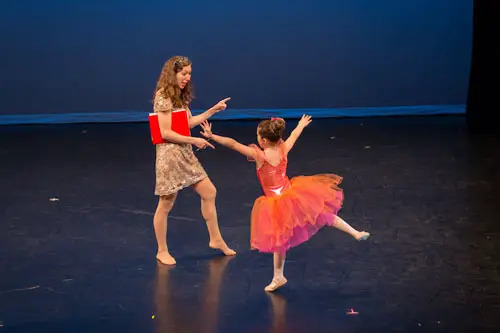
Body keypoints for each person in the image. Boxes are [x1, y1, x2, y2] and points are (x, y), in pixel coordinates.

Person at [199, 115, 370, 291]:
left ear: (263, 140)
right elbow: (294, 135)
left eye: (258, 136)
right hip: (292, 194)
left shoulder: (259, 156)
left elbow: (233, 144)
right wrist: (301, 125)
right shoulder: (283, 149)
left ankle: (278, 276)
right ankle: (355, 232)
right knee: (323, 214)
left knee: (279, 240)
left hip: (276, 202)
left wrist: (212, 136)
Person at [153, 55, 236, 265]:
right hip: (170, 156)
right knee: (166, 203)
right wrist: (194, 140)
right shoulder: (163, 96)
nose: (187, 78)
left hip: (185, 152)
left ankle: (215, 239)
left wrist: (213, 110)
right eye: (184, 73)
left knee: (209, 191)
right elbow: (165, 132)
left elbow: (188, 123)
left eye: (189, 73)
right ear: (173, 73)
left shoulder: (180, 96)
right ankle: (162, 250)